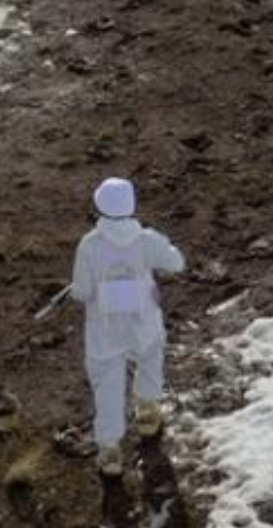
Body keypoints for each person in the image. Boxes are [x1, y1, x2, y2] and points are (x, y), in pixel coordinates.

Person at [67, 177, 186, 474]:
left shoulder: (89, 246)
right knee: (148, 362)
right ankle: (147, 414)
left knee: (107, 385)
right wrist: (163, 243)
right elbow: (177, 263)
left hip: (104, 332)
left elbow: (82, 292)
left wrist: (75, 289)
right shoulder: (146, 240)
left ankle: (109, 452)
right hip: (143, 323)